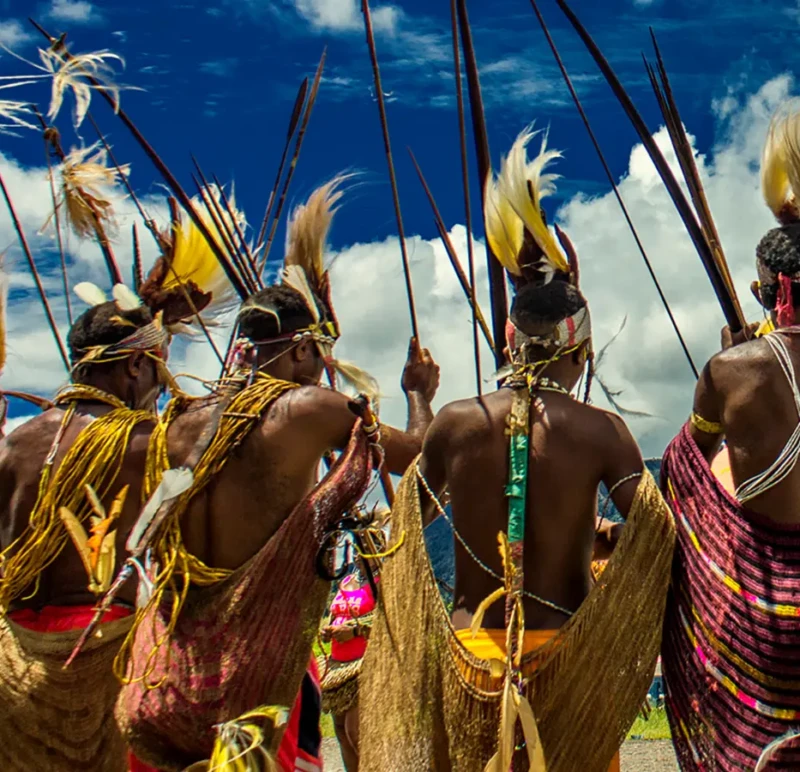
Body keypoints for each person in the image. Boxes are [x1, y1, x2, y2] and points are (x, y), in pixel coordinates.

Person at [359, 127, 675, 772]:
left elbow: (403, 533)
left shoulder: (454, 422)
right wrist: (598, 539)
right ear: (581, 347)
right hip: (569, 659)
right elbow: (658, 531)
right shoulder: (602, 431)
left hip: (469, 653)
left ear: (508, 343)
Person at [118, 178, 440, 772]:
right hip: (256, 674)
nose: (323, 369)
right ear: (298, 352)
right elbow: (418, 450)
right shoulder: (307, 407)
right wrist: (418, 393)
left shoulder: (181, 418)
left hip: (169, 665)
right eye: (319, 355)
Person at [661, 103, 800, 771]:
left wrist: (733, 374)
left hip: (764, 622)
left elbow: (684, 473)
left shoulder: (732, 371)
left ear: (772, 291)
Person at [0, 299, 172, 772]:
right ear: (136, 363)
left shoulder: (13, 447)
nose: (160, 386)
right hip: (115, 663)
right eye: (159, 368)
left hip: (15, 672)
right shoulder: (149, 442)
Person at [319, 569, 378, 771]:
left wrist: (354, 631)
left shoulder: (381, 580)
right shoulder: (347, 579)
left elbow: (388, 622)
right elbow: (335, 614)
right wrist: (329, 630)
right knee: (341, 732)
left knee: (354, 731)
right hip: (339, 666)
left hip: (363, 665)